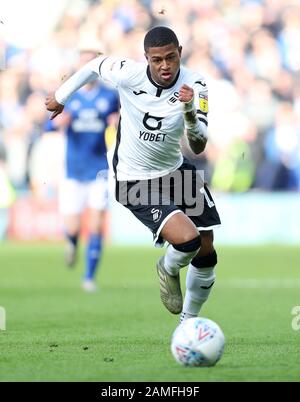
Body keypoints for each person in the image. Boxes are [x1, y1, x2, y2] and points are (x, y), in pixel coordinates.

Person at [45, 26, 221, 322]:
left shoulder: (196, 83)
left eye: (170, 58)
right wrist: (62, 97)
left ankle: (188, 323)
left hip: (175, 170)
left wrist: (189, 110)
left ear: (180, 53)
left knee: (206, 251)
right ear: (146, 59)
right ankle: (167, 267)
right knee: (187, 242)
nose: (165, 66)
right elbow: (92, 66)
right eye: (157, 60)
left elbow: (199, 144)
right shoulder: (128, 72)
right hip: (134, 178)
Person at [45, 43, 119, 292]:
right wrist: (57, 124)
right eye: (83, 61)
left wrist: (116, 122)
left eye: (91, 61)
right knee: (74, 226)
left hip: (99, 167)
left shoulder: (110, 95)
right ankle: (73, 243)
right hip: (73, 169)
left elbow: (122, 121)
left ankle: (89, 278)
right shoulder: (68, 94)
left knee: (97, 224)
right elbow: (48, 125)